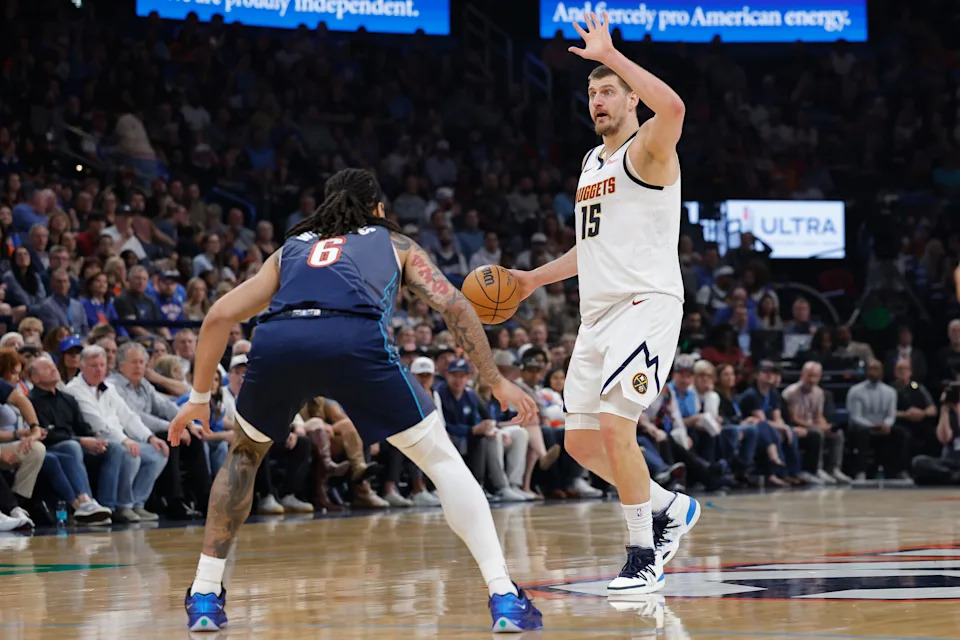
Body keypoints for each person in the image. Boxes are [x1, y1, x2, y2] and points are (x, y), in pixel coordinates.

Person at [167, 168, 543, 632]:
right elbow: (455, 305)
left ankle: (205, 595)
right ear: (379, 209)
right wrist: (495, 381)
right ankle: (504, 596)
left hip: (281, 339)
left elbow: (219, 314)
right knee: (443, 462)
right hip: (354, 339)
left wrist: (199, 397)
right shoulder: (395, 243)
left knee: (243, 457)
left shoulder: (292, 250)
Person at [510, 11, 697, 594]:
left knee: (619, 426)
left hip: (647, 304)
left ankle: (643, 553)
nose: (598, 98)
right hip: (598, 315)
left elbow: (675, 110)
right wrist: (530, 281)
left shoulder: (649, 151)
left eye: (608, 89)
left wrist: (612, 55)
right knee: (580, 441)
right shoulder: (591, 164)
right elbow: (588, 248)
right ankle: (669, 507)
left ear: (631, 98)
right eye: (592, 91)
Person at [64, 345, 169, 523]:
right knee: (128, 452)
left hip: (120, 439)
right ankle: (120, 506)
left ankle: (137, 503)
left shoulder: (108, 388)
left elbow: (129, 416)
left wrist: (150, 437)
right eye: (93, 365)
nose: (99, 369)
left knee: (158, 452)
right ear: (81, 367)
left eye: (101, 365)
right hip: (95, 441)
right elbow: (97, 423)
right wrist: (125, 440)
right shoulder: (73, 389)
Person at [27, 356, 129, 524]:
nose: (53, 369)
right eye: (46, 368)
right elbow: (46, 434)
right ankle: (86, 503)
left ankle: (107, 507)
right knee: (71, 446)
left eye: (53, 365)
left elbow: (82, 426)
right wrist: (82, 440)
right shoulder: (31, 401)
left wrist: (95, 439)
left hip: (75, 444)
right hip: (50, 447)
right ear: (35, 378)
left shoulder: (67, 398)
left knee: (116, 449)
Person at [782, 362, 852, 484]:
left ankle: (834, 469)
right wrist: (817, 427)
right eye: (809, 375)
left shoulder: (819, 392)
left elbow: (818, 415)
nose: (812, 380)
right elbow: (794, 418)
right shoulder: (791, 392)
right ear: (802, 375)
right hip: (796, 427)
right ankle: (815, 470)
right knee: (817, 433)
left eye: (816, 376)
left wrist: (826, 426)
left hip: (812, 425)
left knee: (837, 433)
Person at [846, 359, 911, 480]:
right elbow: (856, 416)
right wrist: (872, 426)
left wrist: (886, 425)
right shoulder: (855, 391)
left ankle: (899, 471)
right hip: (862, 427)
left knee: (901, 434)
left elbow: (891, 415)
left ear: (882, 372)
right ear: (866, 371)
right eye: (871, 368)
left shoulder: (890, 392)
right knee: (862, 432)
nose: (874, 372)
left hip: (882, 427)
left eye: (877, 369)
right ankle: (861, 471)